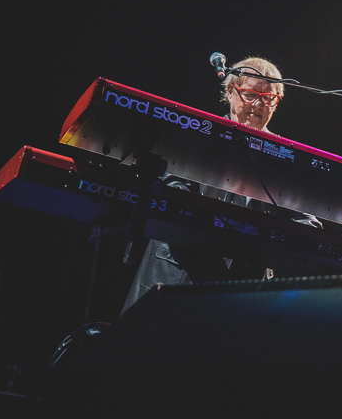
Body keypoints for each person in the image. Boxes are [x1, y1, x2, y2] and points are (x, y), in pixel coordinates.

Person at [120, 58, 288, 311]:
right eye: (251, 95)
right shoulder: (200, 135)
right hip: (178, 278)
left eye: (268, 98)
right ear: (231, 92)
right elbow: (173, 189)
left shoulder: (285, 155)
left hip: (242, 294)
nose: (259, 105)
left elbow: (306, 219)